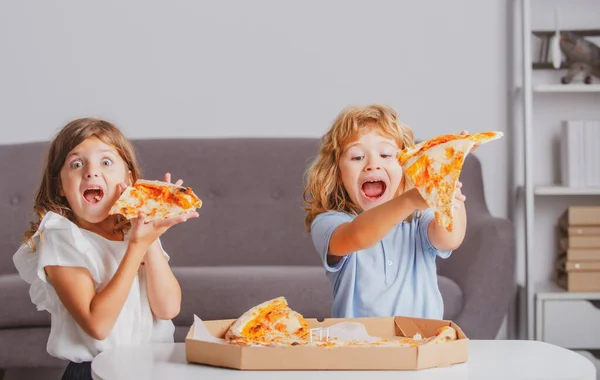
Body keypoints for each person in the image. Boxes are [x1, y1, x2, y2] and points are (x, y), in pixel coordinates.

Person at [13, 118, 198, 380]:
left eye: (106, 162)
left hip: (152, 369)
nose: (91, 171)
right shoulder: (61, 236)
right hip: (94, 372)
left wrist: (150, 238)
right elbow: (97, 326)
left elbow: (168, 309)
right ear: (59, 186)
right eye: (76, 164)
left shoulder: (136, 232)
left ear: (130, 180)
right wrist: (137, 246)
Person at [303, 104, 468, 320]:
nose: (373, 164)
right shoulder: (328, 223)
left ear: (408, 166)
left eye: (386, 154)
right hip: (357, 346)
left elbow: (450, 239)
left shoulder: (417, 220)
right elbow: (358, 236)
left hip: (421, 342)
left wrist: (448, 173)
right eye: (356, 157)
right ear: (337, 173)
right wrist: (409, 200)